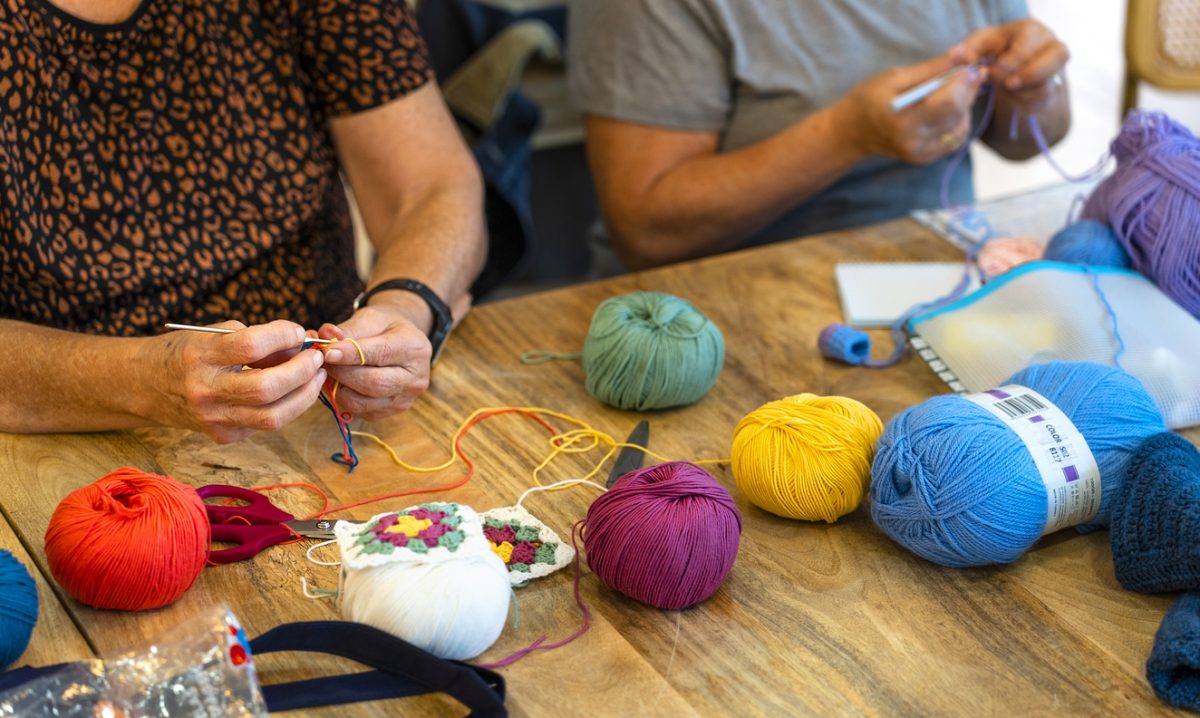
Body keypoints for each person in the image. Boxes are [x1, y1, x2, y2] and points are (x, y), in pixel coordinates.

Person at [0, 0, 487, 442]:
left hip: (324, 412)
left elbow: (432, 185)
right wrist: (143, 380)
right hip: (52, 434)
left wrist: (405, 304)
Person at [568, 0, 1071, 272]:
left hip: (937, 277)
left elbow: (1027, 142)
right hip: (708, 304)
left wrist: (1032, 89)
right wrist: (845, 136)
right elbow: (645, 229)